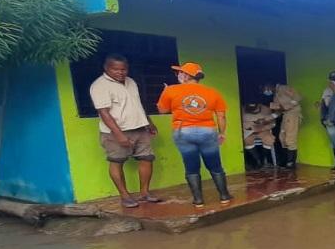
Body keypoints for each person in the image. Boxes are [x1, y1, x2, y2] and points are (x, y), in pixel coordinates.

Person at [156, 62, 232, 207]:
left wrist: (165, 92)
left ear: (185, 75)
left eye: (179, 73)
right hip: (207, 131)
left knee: (191, 166)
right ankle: (224, 196)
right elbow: (221, 116)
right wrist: (222, 133)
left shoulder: (171, 90)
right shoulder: (213, 92)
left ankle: (198, 200)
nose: (178, 75)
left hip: (183, 131)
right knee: (215, 165)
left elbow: (162, 110)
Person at [88, 53, 160, 208]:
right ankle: (125, 196)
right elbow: (104, 112)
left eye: (124, 69)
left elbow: (137, 104)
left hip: (140, 128)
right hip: (115, 133)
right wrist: (119, 135)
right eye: (116, 69)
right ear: (106, 68)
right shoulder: (99, 85)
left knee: (147, 158)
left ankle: (144, 193)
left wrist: (149, 122)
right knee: (117, 162)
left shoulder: (131, 82)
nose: (121, 72)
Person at [263, 81, 303, 168]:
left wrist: (287, 106)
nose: (266, 91)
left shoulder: (283, 88)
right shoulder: (275, 97)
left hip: (293, 115)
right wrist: (266, 119)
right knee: (282, 138)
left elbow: (298, 97)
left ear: (270, 85)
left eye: (266, 89)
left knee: (290, 138)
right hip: (285, 116)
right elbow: (278, 112)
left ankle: (291, 163)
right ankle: (286, 160)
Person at [242, 103, 278, 168]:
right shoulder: (242, 109)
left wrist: (263, 128)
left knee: (269, 139)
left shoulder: (266, 109)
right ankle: (257, 160)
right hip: (249, 131)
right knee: (247, 140)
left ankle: (263, 160)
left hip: (263, 130)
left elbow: (273, 124)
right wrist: (248, 126)